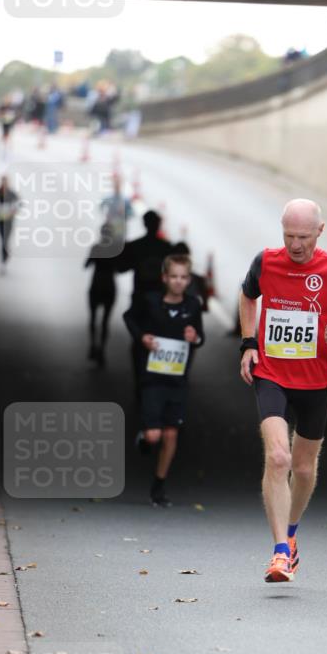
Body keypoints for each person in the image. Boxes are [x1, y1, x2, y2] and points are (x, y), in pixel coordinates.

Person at [239, 198, 327, 582]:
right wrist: (248, 343)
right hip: (271, 372)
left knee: (304, 468)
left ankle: (290, 535)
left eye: (303, 237)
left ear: (319, 232)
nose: (295, 245)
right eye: (289, 235)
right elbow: (247, 295)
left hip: (316, 380)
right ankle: (278, 554)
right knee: (278, 458)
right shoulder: (266, 261)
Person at [123, 253, 205, 507]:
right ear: (165, 278)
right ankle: (145, 439)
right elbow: (129, 317)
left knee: (171, 434)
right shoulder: (150, 302)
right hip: (152, 378)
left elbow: (201, 337)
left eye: (183, 277)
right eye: (174, 277)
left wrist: (195, 338)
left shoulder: (193, 305)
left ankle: (159, 485)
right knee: (154, 436)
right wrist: (142, 338)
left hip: (178, 380)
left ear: (189, 279)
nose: (179, 282)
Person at [117, 210, 173, 399]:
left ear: (145, 224)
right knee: (162, 341)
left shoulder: (136, 246)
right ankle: (157, 382)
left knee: (138, 341)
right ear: (158, 225)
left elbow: (120, 268)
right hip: (162, 303)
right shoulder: (167, 248)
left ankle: (140, 381)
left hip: (140, 300)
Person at [84, 223, 118, 367]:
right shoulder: (115, 250)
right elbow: (120, 268)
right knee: (105, 321)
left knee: (93, 318)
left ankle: (93, 344)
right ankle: (102, 349)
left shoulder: (96, 248)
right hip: (109, 287)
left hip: (96, 285)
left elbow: (86, 265)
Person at [0, 175, 21, 269]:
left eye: (5, 182)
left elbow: (19, 204)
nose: (4, 184)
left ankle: (5, 255)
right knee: (2, 239)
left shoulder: (12, 193)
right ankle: (4, 257)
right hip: (0, 219)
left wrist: (14, 211)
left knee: (5, 239)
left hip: (9, 221)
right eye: (2, 182)